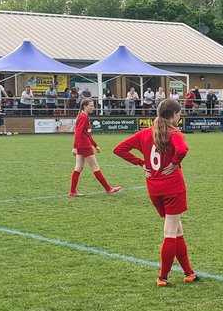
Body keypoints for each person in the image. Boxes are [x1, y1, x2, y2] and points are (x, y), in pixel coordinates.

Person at [113, 99, 197, 286]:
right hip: (172, 187)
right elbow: (182, 150)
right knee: (170, 232)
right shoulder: (174, 133)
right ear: (174, 115)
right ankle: (162, 277)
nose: (180, 116)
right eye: (179, 113)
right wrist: (174, 163)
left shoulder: (145, 133)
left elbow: (119, 149)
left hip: (154, 188)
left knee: (176, 230)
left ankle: (189, 272)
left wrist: (141, 163)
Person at [69, 98, 123, 197]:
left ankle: (72, 192)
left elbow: (87, 134)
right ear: (85, 107)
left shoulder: (84, 116)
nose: (93, 108)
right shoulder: (83, 117)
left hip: (83, 145)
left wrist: (95, 145)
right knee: (95, 167)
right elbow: (78, 132)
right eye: (91, 106)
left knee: (78, 167)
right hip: (84, 146)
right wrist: (75, 147)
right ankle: (108, 189)